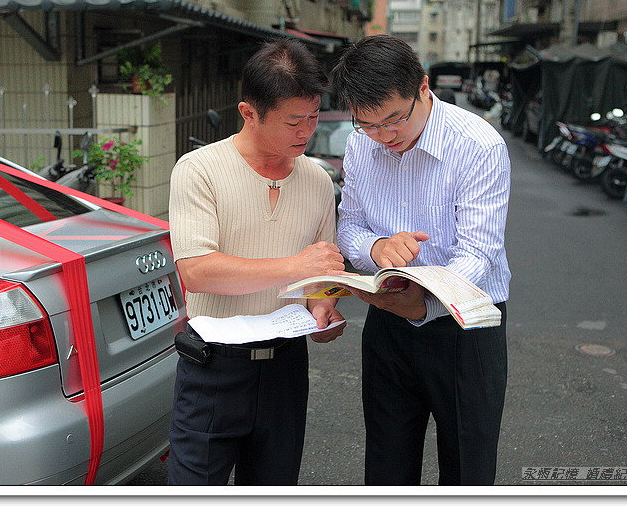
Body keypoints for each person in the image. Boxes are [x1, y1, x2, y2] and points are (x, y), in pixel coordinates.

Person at [330, 34, 511, 485]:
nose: (384, 137)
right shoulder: (361, 145)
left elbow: (478, 253)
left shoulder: (478, 146)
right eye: (367, 125)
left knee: (466, 468)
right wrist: (375, 249)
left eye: (395, 120)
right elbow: (348, 225)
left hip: (465, 326)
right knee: (387, 465)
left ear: (423, 89)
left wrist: (426, 303)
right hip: (390, 322)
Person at [167, 38, 347, 485]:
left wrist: (323, 305)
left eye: (314, 116)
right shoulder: (199, 170)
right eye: (293, 121)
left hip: (286, 367)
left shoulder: (318, 181)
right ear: (249, 113)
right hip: (213, 368)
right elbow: (197, 271)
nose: (306, 131)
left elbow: (321, 272)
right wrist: (295, 267)